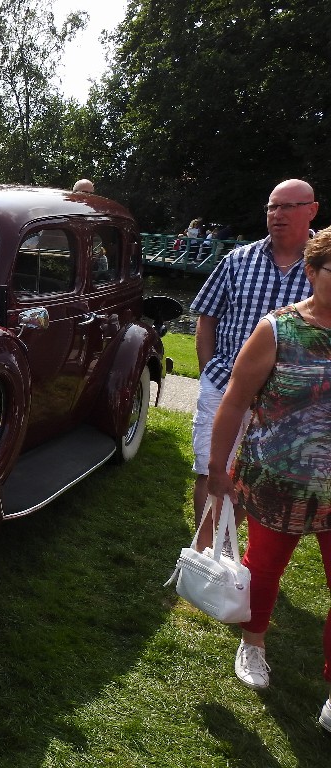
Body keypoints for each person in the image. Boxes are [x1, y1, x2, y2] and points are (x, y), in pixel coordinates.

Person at [206, 227, 331, 732]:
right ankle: (252, 643)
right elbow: (235, 399)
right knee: (264, 568)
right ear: (312, 271)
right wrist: (217, 471)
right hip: (277, 479)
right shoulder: (278, 329)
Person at [190, 179, 317, 548]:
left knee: (252, 476)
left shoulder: (322, 268)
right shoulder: (238, 260)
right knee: (209, 468)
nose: (277, 215)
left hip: (284, 399)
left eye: (288, 207)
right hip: (224, 385)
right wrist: (207, 370)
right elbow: (207, 316)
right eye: (272, 207)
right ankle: (202, 549)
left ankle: (224, 545)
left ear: (312, 210)